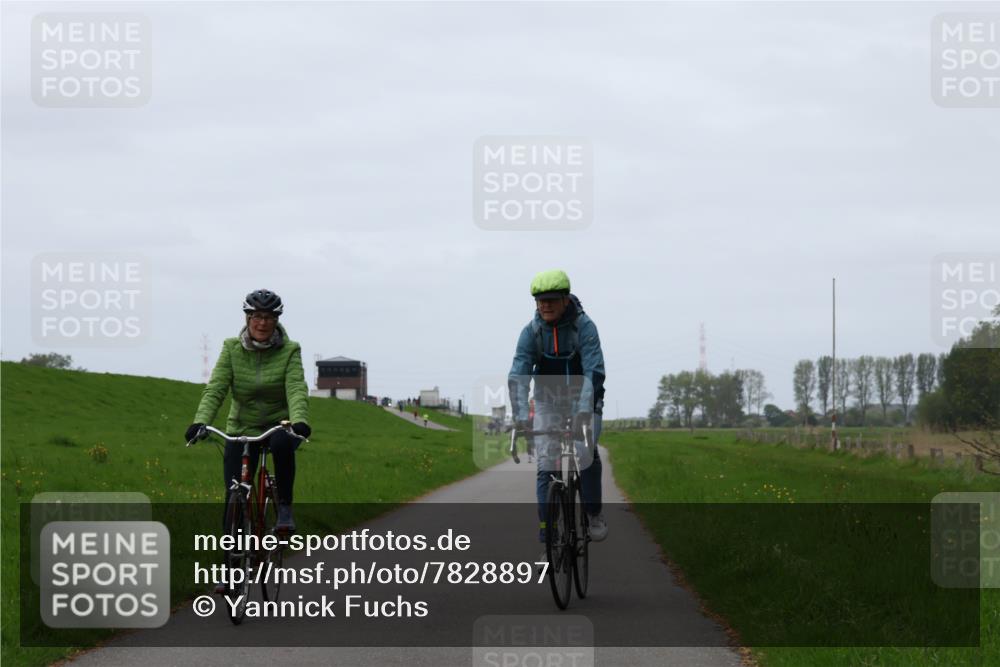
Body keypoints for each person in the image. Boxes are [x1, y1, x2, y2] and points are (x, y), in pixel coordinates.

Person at [185, 289, 311, 534]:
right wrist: (199, 422)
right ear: (247, 318)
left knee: (283, 445)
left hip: (279, 424)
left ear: (277, 320)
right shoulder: (231, 348)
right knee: (234, 491)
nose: (262, 322)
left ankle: (284, 508)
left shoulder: (290, 350)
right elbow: (216, 389)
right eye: (256, 316)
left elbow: (296, 388)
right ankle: (231, 558)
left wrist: (299, 421)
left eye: (269, 317)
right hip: (241, 427)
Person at [508, 269, 608, 547]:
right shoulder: (531, 333)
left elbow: (594, 372)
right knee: (546, 464)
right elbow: (518, 376)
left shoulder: (584, 327)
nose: (545, 305)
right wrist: (520, 420)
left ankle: (593, 512)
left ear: (566, 300)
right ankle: (548, 534)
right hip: (547, 401)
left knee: (584, 450)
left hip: (585, 400)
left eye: (552, 299)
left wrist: (583, 414)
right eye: (540, 300)